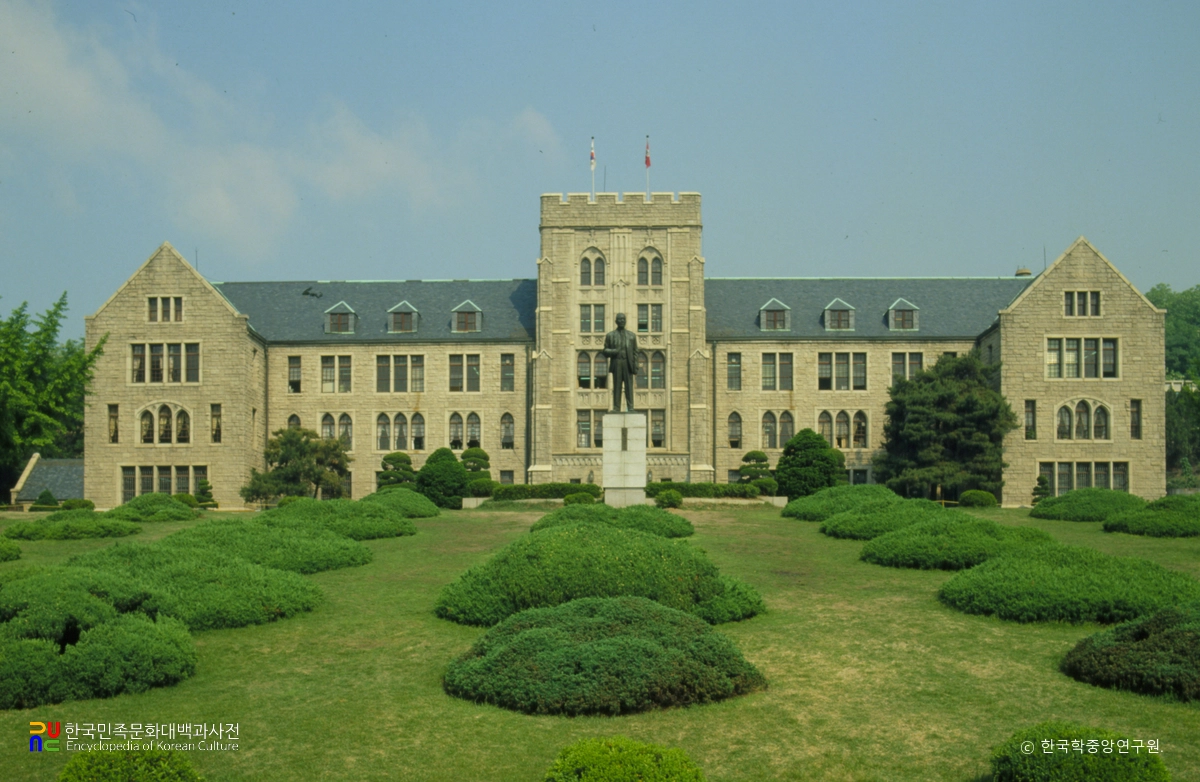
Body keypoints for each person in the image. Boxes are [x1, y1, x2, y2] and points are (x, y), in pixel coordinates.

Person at [602, 312, 639, 412]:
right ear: (616, 321)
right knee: (617, 386)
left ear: (625, 321)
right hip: (617, 363)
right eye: (620, 319)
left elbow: (636, 352)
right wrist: (614, 351)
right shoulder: (610, 335)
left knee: (629, 387)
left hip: (628, 364)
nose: (622, 321)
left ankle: (630, 407)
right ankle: (616, 407)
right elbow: (605, 351)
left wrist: (635, 366)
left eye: (623, 319)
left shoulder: (632, 336)